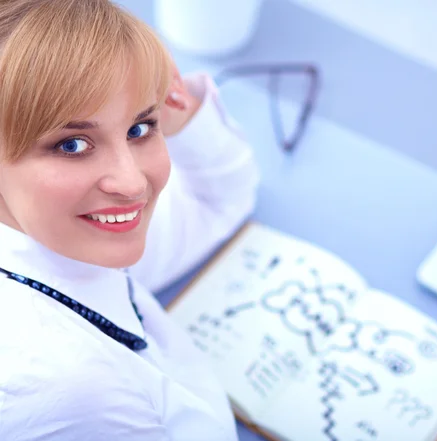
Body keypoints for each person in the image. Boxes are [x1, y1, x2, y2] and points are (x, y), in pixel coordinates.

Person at [0, 0, 259, 440]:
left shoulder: (57, 233)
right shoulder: (72, 392)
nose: (132, 182)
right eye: (72, 145)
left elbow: (220, 201)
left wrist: (178, 108)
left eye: (140, 128)